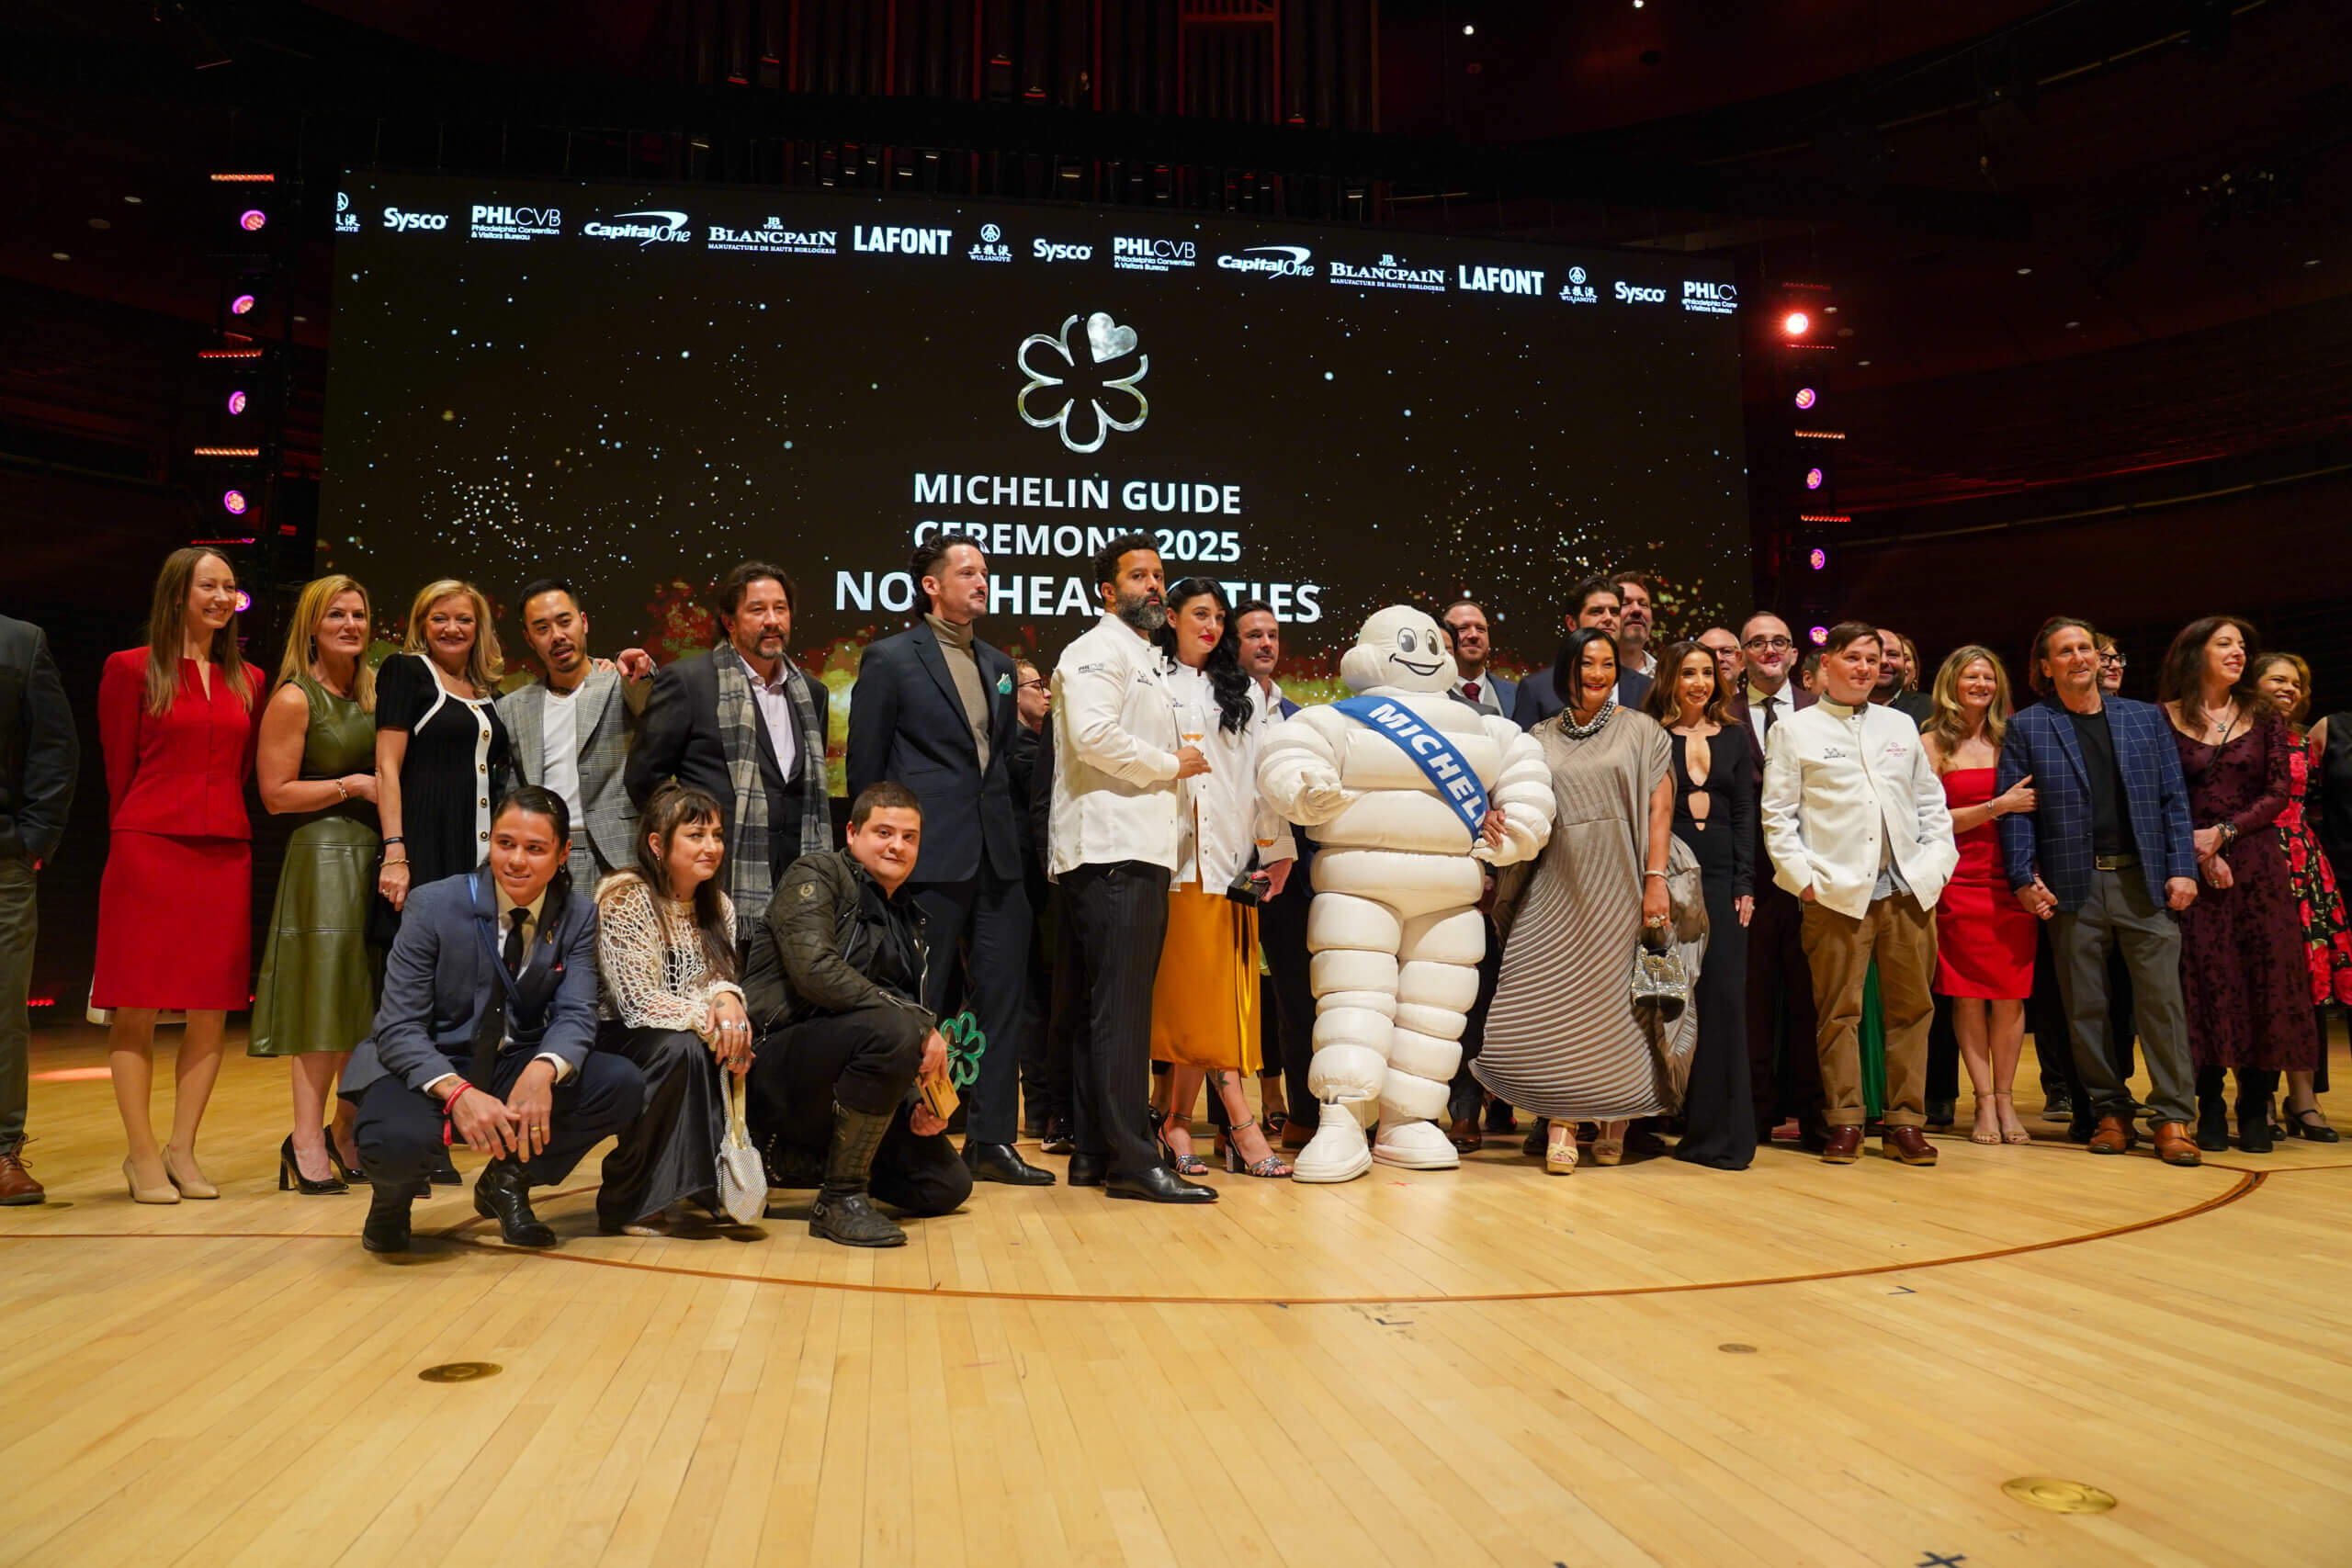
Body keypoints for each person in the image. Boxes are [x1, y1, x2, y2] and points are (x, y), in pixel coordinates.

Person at [344, 786, 644, 1253]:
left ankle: (506, 1182)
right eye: (505, 843)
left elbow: (577, 1013)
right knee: (397, 1139)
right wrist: (457, 1092)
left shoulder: (579, 915)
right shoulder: (432, 904)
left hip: (509, 1060)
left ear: (563, 852)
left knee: (620, 1083)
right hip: (427, 1064)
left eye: (535, 848)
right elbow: (398, 1028)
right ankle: (391, 1201)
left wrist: (543, 1070)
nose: (516, 861)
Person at [845, 539, 1050, 1188]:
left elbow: (1002, 761)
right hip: (927, 857)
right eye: (968, 572)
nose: (982, 581)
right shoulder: (890, 658)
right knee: (919, 1001)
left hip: (999, 856)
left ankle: (991, 1139)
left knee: (1001, 998)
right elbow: (866, 765)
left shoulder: (998, 664)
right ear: (931, 586)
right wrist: (877, 855)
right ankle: (890, 1141)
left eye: (985, 572)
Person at [1046, 533, 1216, 1202]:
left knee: (1103, 1010)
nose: (1153, 585)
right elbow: (1092, 737)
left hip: (1131, 848)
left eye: (1158, 575)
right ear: (1107, 592)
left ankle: (1094, 1152)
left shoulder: (1142, 657)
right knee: (1121, 1012)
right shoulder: (1096, 649)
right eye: (1138, 575)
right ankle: (1132, 1161)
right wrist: (1170, 764)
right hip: (1112, 848)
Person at [1476, 627, 1684, 1172]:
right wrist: (1495, 812)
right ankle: (1562, 1121)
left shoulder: (1642, 730)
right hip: (1557, 881)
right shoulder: (1537, 738)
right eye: (1587, 663)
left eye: (1607, 664)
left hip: (1624, 880)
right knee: (1550, 1000)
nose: (1597, 674)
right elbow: (1515, 799)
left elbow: (1660, 810)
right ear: (1567, 669)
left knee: (1618, 1006)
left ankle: (1614, 1121)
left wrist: (1655, 879)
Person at [1997, 616, 2201, 1165]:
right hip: (2073, 886)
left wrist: (2183, 868)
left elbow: (2174, 800)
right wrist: (2021, 877)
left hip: (2143, 880)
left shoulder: (2144, 718)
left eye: (2085, 648)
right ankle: (2111, 1111)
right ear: (2046, 667)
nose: (2079, 658)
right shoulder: (2028, 727)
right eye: (2065, 651)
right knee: (2085, 1009)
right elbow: (2016, 811)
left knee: (2161, 1005)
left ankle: (2174, 1116)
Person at [96, 547, 264, 1204]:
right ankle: (141, 1155)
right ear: (176, 594)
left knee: (210, 1008)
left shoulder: (250, 679)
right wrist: (137, 833)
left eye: (229, 587)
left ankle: (182, 1149)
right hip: (147, 844)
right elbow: (119, 770)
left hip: (224, 850)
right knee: (136, 1002)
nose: (222, 597)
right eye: (208, 586)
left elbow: (242, 770)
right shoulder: (130, 668)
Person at [1760, 622, 1959, 1167]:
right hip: (1836, 895)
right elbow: (1778, 817)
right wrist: (1804, 881)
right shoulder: (1795, 730)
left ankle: (1905, 1122)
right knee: (1838, 1014)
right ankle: (1845, 1120)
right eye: (1854, 658)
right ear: (1826, 665)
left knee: (1912, 1011)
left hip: (1907, 891)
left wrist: (1937, 867)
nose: (1866, 668)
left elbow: (1931, 805)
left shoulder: (1900, 724)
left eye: (1874, 659)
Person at [741, 783, 974, 1246]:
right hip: (771, 1062)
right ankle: (839, 1199)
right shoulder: (816, 874)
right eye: (883, 832)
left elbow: (891, 1021)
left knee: (946, 1185)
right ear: (851, 833)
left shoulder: (909, 918)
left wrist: (917, 1103)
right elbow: (815, 972)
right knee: (894, 1028)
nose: (897, 846)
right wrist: (919, 1026)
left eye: (909, 837)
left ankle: (791, 1160)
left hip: (850, 1069)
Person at [1147, 580, 1296, 1179]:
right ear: (1172, 619)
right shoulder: (1151, 680)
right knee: (1200, 996)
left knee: (1223, 994)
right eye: (1199, 614)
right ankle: (1240, 1122)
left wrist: (1277, 850)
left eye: (1217, 617)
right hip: (1174, 863)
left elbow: (1264, 777)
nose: (1210, 626)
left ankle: (1177, 1120)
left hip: (1236, 865)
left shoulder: (1242, 691)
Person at [249, 575, 384, 1193]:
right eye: (336, 615)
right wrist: (351, 785)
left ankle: (343, 1130)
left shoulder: (375, 691)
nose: (350, 625)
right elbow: (275, 794)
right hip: (324, 856)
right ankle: (304, 1138)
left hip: (377, 855)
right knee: (323, 1003)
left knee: (363, 1006)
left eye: (358, 614)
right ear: (311, 626)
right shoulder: (294, 697)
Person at [2158, 616, 2312, 1155]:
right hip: (2189, 866)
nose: (2237, 653)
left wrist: (2223, 835)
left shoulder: (2263, 714)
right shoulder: (2163, 717)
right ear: (2195, 652)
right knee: (2203, 982)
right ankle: (2208, 1103)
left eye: (2242, 645)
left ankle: (2255, 1103)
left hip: (2256, 864)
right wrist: (2198, 851)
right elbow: (2161, 795)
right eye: (2224, 643)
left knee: (2263, 979)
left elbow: (2277, 791)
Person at [628, 561, 831, 961]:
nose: (772, 621)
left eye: (780, 608)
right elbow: (643, 778)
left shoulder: (812, 693)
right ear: (729, 621)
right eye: (757, 610)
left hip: (796, 885)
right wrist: (688, 839)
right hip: (714, 884)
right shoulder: (689, 682)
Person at [593, 783, 751, 1234]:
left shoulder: (719, 905)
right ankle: (632, 1198)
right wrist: (716, 1023)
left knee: (730, 1045)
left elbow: (716, 981)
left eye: (717, 836)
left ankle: (710, 1183)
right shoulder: (625, 897)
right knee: (683, 1049)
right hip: (618, 1033)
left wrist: (728, 1003)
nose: (711, 847)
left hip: (678, 1031)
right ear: (658, 845)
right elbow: (636, 1001)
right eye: (696, 835)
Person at [1918, 647, 2039, 1146]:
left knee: (2010, 995)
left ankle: (2007, 1100)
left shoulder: (2016, 739)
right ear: (1952, 683)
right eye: (1971, 676)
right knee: (1967, 995)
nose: (1981, 685)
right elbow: (1928, 822)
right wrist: (1997, 806)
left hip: (2011, 879)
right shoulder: (1930, 744)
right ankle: (1983, 1101)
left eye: (1989, 677)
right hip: (1958, 880)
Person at [1642, 640, 1756, 1168]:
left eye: (1707, 673)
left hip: (1724, 882)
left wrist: (1745, 883)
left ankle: (1722, 1135)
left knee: (1724, 1002)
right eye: (1688, 673)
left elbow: (1744, 813)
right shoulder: (1649, 734)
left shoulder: (1734, 735)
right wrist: (1651, 880)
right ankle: (1646, 1121)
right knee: (1663, 998)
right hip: (1668, 879)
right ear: (1669, 678)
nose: (1700, 683)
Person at [1730, 612, 1823, 1145]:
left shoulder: (1820, 709)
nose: (1769, 650)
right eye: (1757, 642)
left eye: (1779, 642)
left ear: (1793, 655)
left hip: (1813, 874)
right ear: (1741, 654)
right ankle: (1757, 1111)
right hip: (1751, 878)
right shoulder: (1722, 712)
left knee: (1813, 997)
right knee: (1754, 998)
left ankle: (1816, 1113)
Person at [499, 578, 651, 891]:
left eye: (564, 621)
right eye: (542, 628)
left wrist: (642, 671)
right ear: (529, 638)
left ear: (584, 622)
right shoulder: (512, 708)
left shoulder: (618, 683)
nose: (557, 636)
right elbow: (512, 792)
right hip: (544, 857)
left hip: (619, 855)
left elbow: (647, 700)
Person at [375, 580, 511, 918]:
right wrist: (394, 852)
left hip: (482, 854)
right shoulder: (406, 672)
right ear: (422, 624)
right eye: (439, 619)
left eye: (464, 619)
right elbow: (386, 767)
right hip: (426, 845)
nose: (452, 629)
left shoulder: (491, 694)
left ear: (479, 628)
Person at [0, 615, 77, 1206]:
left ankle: (1, 1150)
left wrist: (33, 839)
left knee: (4, 1009)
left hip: (3, 859)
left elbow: (56, 745)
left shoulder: (20, 641)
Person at [2265, 654, 2347, 1141]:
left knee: (2304, 985)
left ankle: (2303, 1099)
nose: (2290, 688)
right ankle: (2258, 1097)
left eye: (2296, 683)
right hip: (2253, 857)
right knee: (2260, 981)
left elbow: (2319, 802)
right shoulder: (2236, 736)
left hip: (2302, 862)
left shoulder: (2304, 741)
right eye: (2278, 679)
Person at [1234, 601, 1301, 1143]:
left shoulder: (1296, 714)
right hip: (1229, 867)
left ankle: (1299, 1113)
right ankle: (1229, 1122)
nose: (1266, 643)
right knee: (1230, 992)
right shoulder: (1215, 704)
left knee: (1292, 994)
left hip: (1285, 869)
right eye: (1254, 635)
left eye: (1273, 634)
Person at [1517, 575, 1651, 728]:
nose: (1608, 618)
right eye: (1596, 611)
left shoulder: (1647, 688)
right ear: (1572, 623)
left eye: (1614, 612)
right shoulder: (1536, 688)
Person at [1442, 599, 1519, 721]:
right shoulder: (1428, 694)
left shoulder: (1518, 694)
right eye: (1463, 628)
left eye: (1481, 629)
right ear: (1444, 636)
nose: (1474, 635)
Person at [1873, 629, 1934, 727]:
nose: (1883, 661)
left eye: (1892, 655)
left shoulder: (1930, 707)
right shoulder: (1848, 704)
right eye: (1876, 654)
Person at [1611, 570, 1660, 690]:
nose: (1637, 610)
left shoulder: (1667, 678)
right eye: (1624, 603)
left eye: (1643, 604)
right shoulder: (1584, 677)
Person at [1697, 627, 1744, 702]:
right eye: (1709, 653)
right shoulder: (1681, 708)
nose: (1718, 658)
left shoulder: (1759, 706)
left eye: (1727, 651)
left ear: (1742, 662)